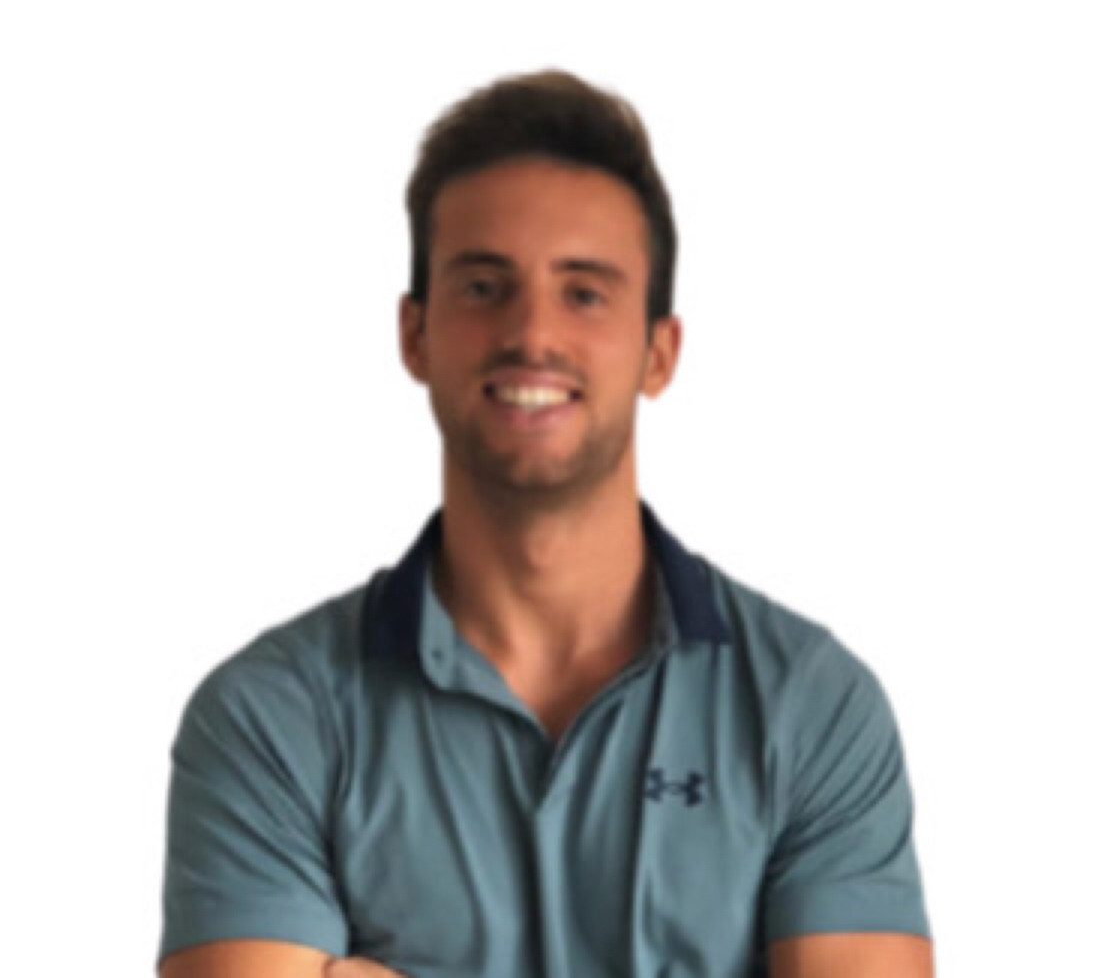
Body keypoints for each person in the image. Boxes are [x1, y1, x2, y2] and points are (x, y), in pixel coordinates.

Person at [157, 71, 933, 978]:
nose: (532, 333)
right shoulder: (268, 718)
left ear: (658, 350)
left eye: (584, 293)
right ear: (414, 334)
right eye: (484, 285)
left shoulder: (811, 705)